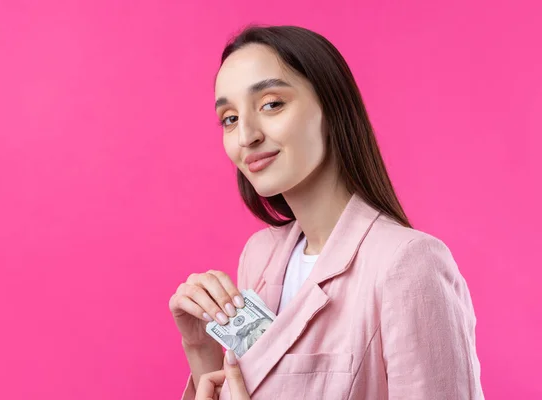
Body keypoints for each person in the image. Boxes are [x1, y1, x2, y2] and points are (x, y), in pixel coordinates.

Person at [168, 24, 484, 399]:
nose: (245, 135)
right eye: (230, 118)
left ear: (332, 108)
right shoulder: (259, 256)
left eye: (271, 104)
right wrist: (199, 347)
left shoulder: (408, 263)